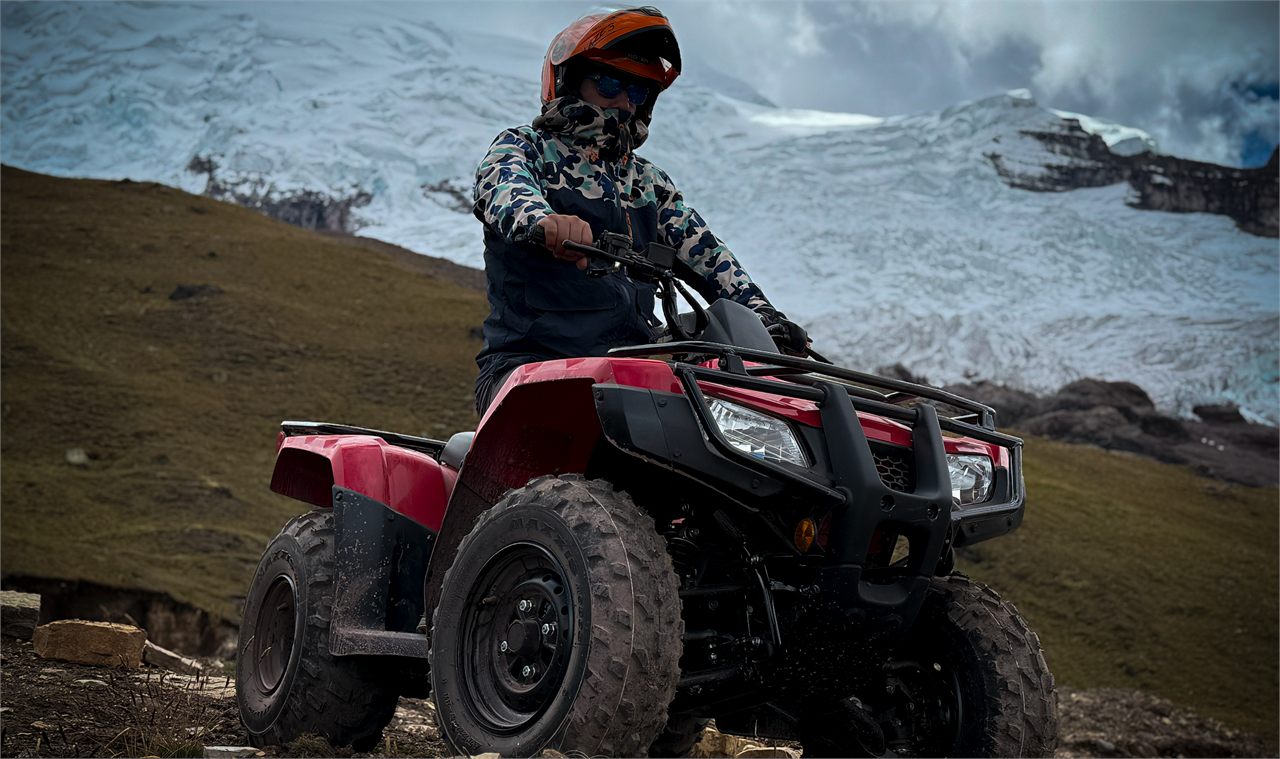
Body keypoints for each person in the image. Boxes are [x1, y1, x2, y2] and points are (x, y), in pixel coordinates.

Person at [471, 5, 806, 414]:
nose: (624, 102)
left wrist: (764, 316)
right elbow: (504, 188)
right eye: (609, 82)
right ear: (568, 81)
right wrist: (543, 222)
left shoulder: (647, 183)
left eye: (637, 92)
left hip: (632, 373)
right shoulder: (525, 148)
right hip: (531, 370)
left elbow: (709, 257)